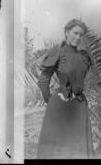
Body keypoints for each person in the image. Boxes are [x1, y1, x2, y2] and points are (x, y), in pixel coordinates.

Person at [36, 19, 93, 159]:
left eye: (81, 34)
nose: (78, 37)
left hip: (79, 105)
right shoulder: (58, 53)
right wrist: (51, 101)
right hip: (60, 106)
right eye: (75, 33)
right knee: (58, 149)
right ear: (66, 33)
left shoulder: (83, 57)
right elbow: (43, 81)